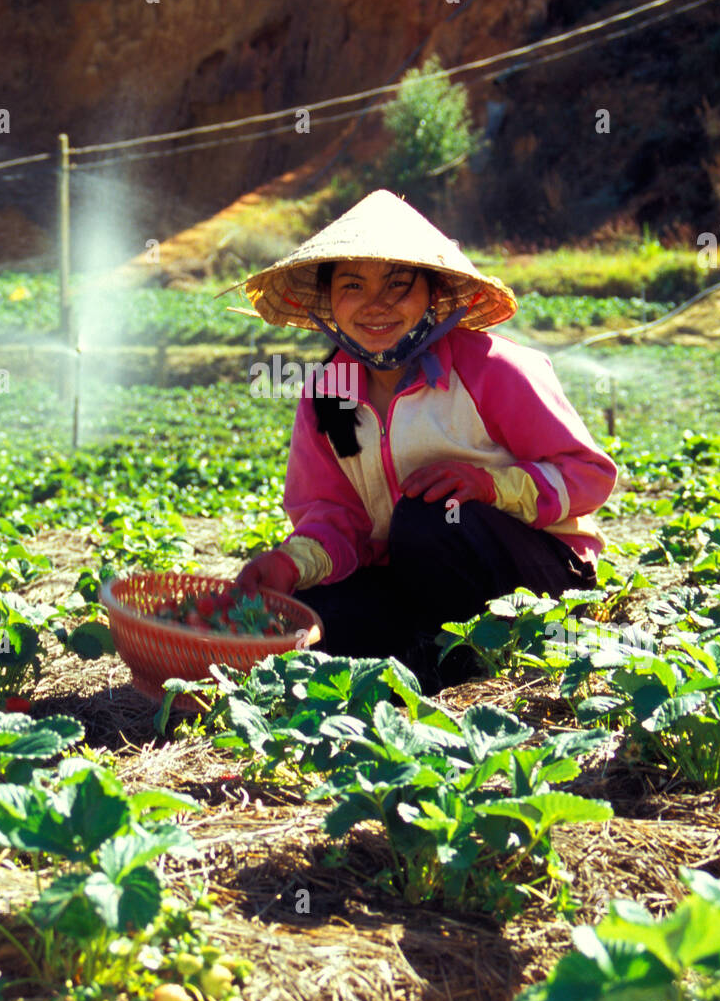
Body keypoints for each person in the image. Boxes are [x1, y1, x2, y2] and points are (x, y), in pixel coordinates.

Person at [233, 189, 617, 691]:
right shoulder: (327, 395)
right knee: (316, 611)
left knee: (428, 516)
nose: (376, 305)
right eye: (353, 285)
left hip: (537, 577)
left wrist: (489, 486)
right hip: (417, 583)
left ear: (433, 295)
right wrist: (289, 563)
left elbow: (588, 476)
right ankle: (428, 657)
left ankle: (459, 666)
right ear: (330, 301)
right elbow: (334, 517)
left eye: (398, 285)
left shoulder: (494, 369)